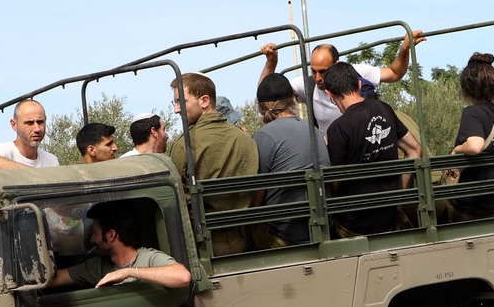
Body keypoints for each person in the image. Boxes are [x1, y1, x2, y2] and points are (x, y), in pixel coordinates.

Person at [258, 30, 426, 133]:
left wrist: (405, 48)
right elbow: (266, 96)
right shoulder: (307, 85)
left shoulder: (356, 72)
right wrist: (271, 62)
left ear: (337, 65)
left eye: (323, 71)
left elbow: (394, 73)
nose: (317, 78)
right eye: (313, 71)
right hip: (336, 155)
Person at [324, 62, 422, 236]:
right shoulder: (384, 109)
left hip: (353, 226)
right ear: (359, 84)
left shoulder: (337, 128)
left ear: (329, 93)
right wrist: (399, 198)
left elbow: (335, 182)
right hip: (389, 220)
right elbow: (415, 149)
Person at [168, 73, 259, 255]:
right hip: (242, 240)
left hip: (202, 246)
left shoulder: (183, 144)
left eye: (181, 102)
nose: (177, 110)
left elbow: (177, 199)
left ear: (204, 100)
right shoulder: (246, 140)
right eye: (175, 103)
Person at [248, 73, 331, 249]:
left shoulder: (264, 136)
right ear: (293, 100)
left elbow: (257, 199)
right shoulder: (312, 130)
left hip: (284, 236)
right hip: (323, 227)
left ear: (261, 106)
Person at [45, 201, 192, 289]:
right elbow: (56, 279)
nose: (92, 240)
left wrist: (128, 272)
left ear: (111, 235)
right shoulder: (98, 266)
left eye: (95, 233)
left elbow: (183, 276)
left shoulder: (147, 258)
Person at [447, 53, 494, 220]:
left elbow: (475, 146)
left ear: (466, 89)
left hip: (475, 206)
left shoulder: (472, 113)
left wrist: (457, 149)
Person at [0, 99, 60, 170]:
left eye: (40, 122)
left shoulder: (51, 161)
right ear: (14, 125)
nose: (37, 129)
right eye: (29, 123)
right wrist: (34, 174)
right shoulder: (4, 151)